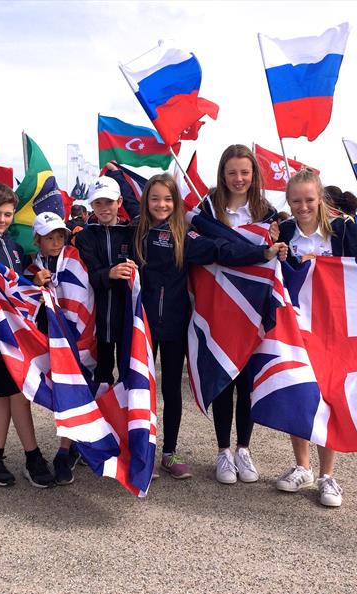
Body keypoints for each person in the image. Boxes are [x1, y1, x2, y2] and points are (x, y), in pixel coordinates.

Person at [134, 173, 287, 480]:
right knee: (138, 387)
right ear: (145, 201)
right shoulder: (133, 232)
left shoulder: (185, 235)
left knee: (171, 390)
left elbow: (221, 250)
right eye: (155, 198)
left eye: (168, 199)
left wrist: (262, 252)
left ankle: (169, 452)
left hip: (176, 325)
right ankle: (139, 451)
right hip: (141, 326)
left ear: (176, 202)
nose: (161, 204)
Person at [274, 169, 357, 507]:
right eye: (296, 200)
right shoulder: (284, 230)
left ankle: (328, 475)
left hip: (334, 326)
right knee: (300, 390)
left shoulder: (344, 228)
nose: (303, 206)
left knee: (330, 395)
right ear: (288, 201)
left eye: (308, 199)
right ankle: (301, 465)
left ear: (320, 198)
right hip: (296, 325)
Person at [196, 144, 279, 485]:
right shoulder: (206, 210)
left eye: (245, 172)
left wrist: (272, 249)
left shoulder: (269, 213)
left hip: (253, 307)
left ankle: (244, 448)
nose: (239, 178)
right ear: (223, 174)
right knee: (222, 377)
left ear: (254, 174)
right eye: (232, 172)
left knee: (247, 382)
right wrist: (253, 251)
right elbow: (197, 249)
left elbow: (276, 258)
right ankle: (222, 452)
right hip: (218, 305)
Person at [0, 183, 55, 488]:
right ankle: (33, 457)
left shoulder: (14, 247)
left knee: (4, 397)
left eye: (7, 214)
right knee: (19, 394)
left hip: (16, 333)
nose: (2, 219)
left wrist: (33, 278)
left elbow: (15, 284)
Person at [27, 211, 90, 485]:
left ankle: (65, 450)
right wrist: (34, 284)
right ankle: (71, 444)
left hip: (76, 339)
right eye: (49, 237)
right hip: (47, 338)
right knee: (58, 393)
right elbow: (23, 299)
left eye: (59, 236)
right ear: (37, 240)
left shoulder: (75, 260)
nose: (55, 242)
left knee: (73, 391)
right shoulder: (31, 267)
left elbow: (82, 296)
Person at [75, 176, 136, 385]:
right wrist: (109, 274)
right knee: (101, 376)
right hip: (96, 320)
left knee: (129, 375)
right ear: (90, 205)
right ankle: (103, 416)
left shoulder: (132, 233)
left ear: (119, 202)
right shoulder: (84, 237)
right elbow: (84, 276)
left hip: (127, 317)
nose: (103, 208)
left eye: (109, 202)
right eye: (97, 202)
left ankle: (127, 416)